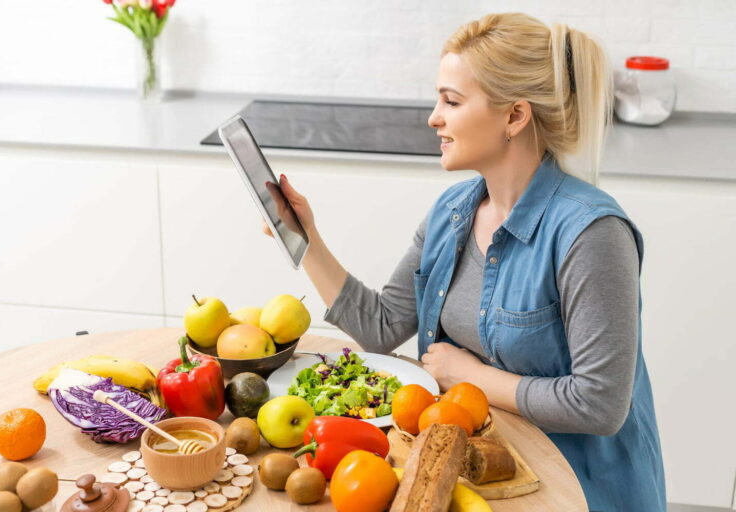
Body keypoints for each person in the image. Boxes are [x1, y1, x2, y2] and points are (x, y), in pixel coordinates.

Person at [263, 12, 665, 512]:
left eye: (451, 101)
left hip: (577, 489)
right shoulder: (451, 212)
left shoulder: (591, 234)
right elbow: (382, 326)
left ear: (515, 117)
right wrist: (307, 238)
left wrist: (472, 377)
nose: (434, 117)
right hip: (476, 474)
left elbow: (600, 404)